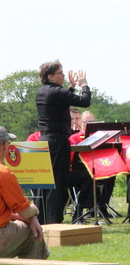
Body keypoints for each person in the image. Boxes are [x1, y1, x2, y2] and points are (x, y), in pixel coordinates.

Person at [35, 60, 91, 224]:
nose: (64, 76)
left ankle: (42, 218)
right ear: (51, 76)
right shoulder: (57, 93)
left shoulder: (42, 92)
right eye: (60, 73)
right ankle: (53, 219)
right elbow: (85, 101)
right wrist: (84, 85)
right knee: (58, 181)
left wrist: (71, 88)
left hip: (44, 139)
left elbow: (60, 101)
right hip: (58, 141)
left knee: (44, 181)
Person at [0, 126, 49, 265]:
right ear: (3, 145)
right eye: (8, 142)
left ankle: (43, 264)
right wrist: (32, 217)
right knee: (32, 234)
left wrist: (26, 218)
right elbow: (25, 210)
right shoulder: (3, 173)